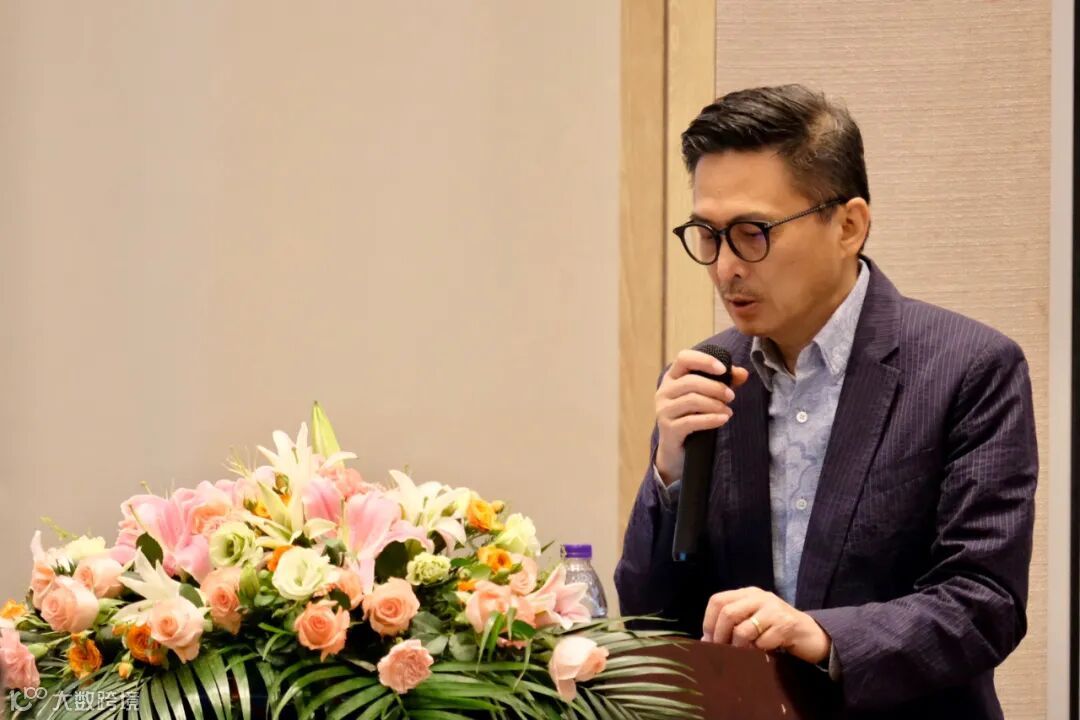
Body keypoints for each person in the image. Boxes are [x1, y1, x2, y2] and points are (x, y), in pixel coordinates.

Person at [615, 85, 1037, 719]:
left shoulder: (969, 367)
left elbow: (985, 603)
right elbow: (650, 620)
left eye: (752, 233)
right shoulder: (706, 376)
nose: (725, 267)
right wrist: (670, 476)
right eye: (708, 234)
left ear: (848, 226)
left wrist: (823, 636)